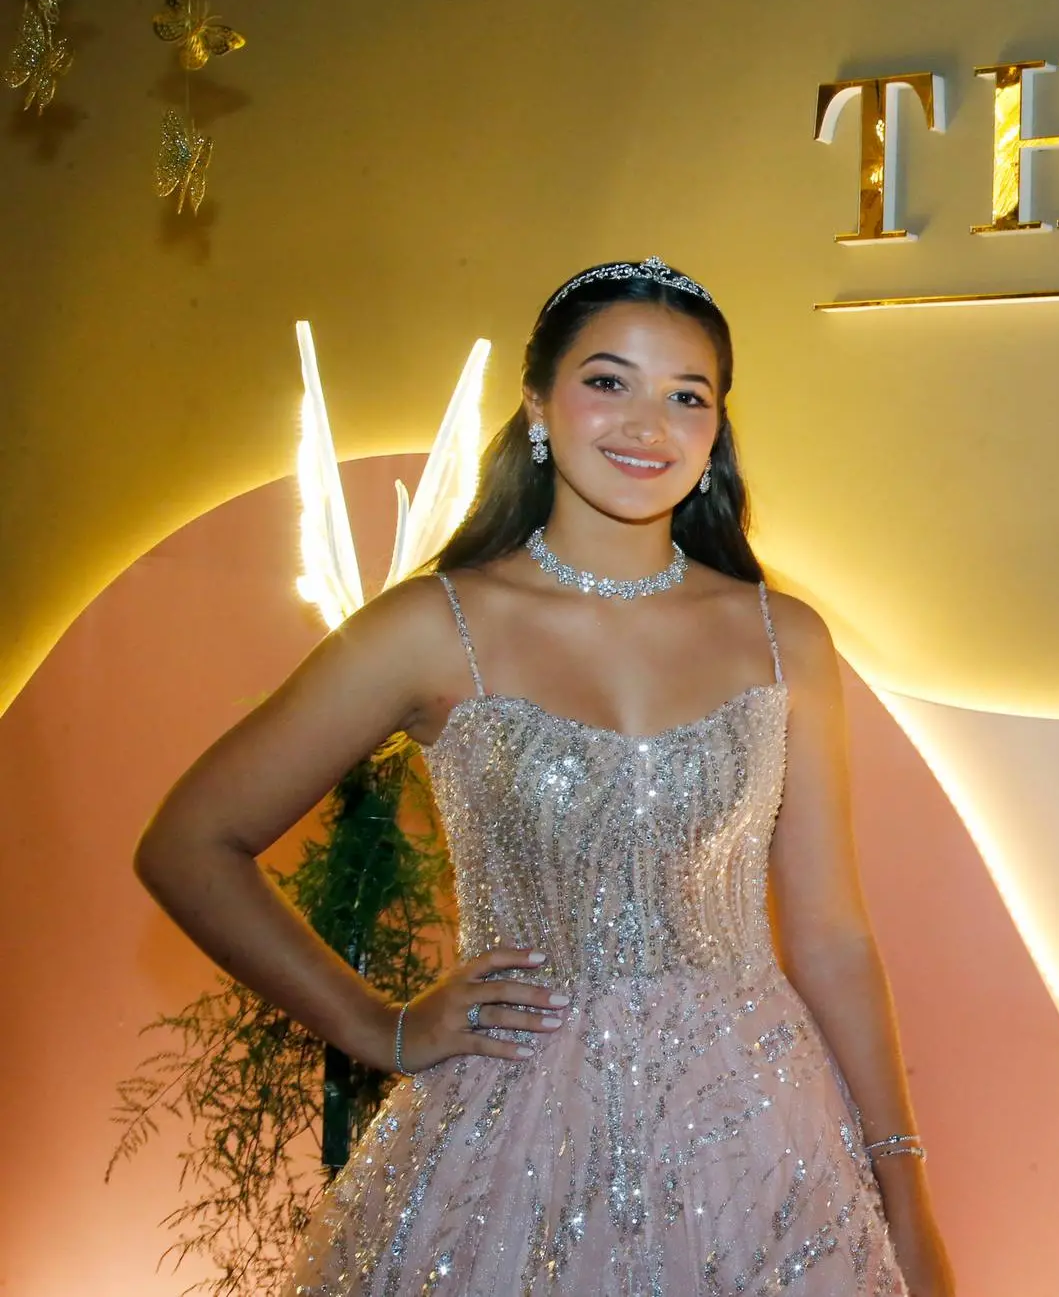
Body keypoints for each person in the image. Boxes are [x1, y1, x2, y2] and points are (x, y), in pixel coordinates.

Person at [133, 258, 953, 1296]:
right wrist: (380, 1027)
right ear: (537, 405)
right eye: (608, 381)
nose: (646, 424)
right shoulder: (436, 626)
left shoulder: (782, 636)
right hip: (512, 1140)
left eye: (686, 396)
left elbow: (831, 936)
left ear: (715, 432)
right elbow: (188, 844)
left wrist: (904, 1195)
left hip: (759, 1142)